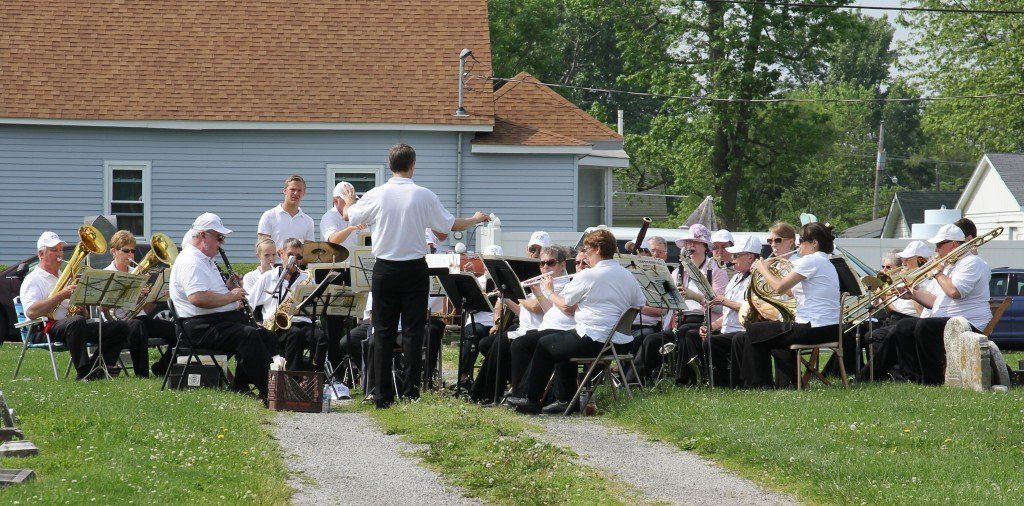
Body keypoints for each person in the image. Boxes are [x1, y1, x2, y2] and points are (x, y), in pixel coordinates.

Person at [342, 143, 490, 408]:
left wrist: (351, 201)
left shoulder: (377, 194)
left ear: (390, 165)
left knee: (383, 331)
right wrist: (476, 219)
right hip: (414, 268)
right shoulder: (423, 195)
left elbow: (348, 216)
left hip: (385, 268)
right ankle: (411, 392)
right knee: (413, 331)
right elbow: (450, 224)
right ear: (412, 165)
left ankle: (382, 395)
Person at [508, 229, 645, 414]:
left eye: (587, 250)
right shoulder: (627, 275)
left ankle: (531, 400)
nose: (586, 255)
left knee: (544, 344)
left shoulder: (589, 275)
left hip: (596, 339)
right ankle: (566, 400)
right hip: (621, 342)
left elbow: (565, 304)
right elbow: (639, 304)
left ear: (597, 249)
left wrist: (548, 291)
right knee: (561, 341)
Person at [170, 213, 278, 398]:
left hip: (212, 320)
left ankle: (240, 386)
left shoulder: (205, 259)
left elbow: (209, 292)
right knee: (248, 335)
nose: (221, 243)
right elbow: (197, 298)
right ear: (203, 235)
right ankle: (271, 393)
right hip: (197, 327)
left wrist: (227, 287)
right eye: (218, 237)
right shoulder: (191, 261)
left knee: (264, 335)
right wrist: (230, 296)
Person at [20, 231, 145, 380]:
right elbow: (31, 312)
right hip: (45, 327)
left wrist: (82, 310)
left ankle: (96, 368)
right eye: (54, 250)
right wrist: (61, 295)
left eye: (61, 249)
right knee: (76, 322)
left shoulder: (64, 275)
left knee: (121, 327)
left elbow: (82, 316)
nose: (60, 253)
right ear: (41, 254)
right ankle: (83, 372)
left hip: (72, 326)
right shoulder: (33, 279)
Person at [732, 222, 840, 389]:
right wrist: (769, 271)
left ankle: (760, 385)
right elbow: (789, 293)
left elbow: (780, 287)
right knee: (761, 332)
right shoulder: (826, 262)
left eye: (802, 240)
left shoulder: (810, 260)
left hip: (812, 327)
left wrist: (762, 268)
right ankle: (779, 383)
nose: (798, 244)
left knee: (753, 331)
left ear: (814, 243)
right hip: (828, 328)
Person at [890, 223, 991, 384]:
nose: (936, 250)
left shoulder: (972, 262)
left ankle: (933, 380)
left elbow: (954, 292)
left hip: (967, 322)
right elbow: (935, 302)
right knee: (904, 326)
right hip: (949, 319)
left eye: (939, 245)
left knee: (925, 326)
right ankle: (912, 377)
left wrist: (937, 272)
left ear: (953, 244)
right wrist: (913, 294)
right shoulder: (951, 266)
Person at [471, 245, 566, 403]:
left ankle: (492, 394)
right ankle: (489, 393)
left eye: (550, 263)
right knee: (489, 344)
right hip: (526, 328)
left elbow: (536, 307)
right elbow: (524, 312)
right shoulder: (541, 283)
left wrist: (519, 293)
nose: (545, 267)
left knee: (500, 343)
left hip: (541, 331)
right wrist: (506, 298)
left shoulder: (561, 284)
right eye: (542, 264)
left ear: (562, 264)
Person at [857, 240, 935, 381]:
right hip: (895, 318)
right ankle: (866, 373)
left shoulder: (928, 281)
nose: (903, 262)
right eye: (903, 259)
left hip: (911, 320)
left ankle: (890, 376)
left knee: (874, 335)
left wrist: (913, 290)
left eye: (907, 259)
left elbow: (920, 312)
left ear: (920, 259)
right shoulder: (905, 278)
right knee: (861, 331)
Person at [103, 230, 177, 377]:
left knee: (178, 330)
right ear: (113, 251)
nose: (131, 255)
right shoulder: (106, 273)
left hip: (139, 318)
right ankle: (142, 375)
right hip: (116, 322)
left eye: (133, 251)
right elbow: (103, 308)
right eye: (126, 251)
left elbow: (147, 309)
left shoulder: (138, 273)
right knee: (138, 326)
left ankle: (162, 367)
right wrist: (132, 295)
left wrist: (154, 296)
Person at [249, 238, 328, 371]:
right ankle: (292, 379)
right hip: (275, 326)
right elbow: (250, 303)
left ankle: (314, 377)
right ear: (281, 254)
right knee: (295, 335)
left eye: (299, 257)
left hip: (302, 322)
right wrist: (257, 323)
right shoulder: (268, 277)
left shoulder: (306, 278)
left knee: (321, 338)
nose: (295, 260)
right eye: (291, 255)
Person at [701, 235, 760, 387]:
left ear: (750, 257)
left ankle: (731, 383)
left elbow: (753, 309)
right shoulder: (735, 278)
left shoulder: (758, 278)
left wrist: (723, 301)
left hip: (744, 331)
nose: (732, 259)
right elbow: (728, 314)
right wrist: (711, 326)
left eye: (736, 255)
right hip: (728, 330)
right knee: (707, 340)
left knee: (715, 342)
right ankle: (720, 382)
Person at [258, 174, 315, 248]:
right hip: (276, 260)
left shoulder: (308, 221)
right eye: (292, 189)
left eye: (299, 190)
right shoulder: (269, 216)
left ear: (304, 193)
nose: (296, 193)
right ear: (285, 191)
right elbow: (263, 248)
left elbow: (309, 250)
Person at [321, 181, 368, 252]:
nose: (352, 203)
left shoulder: (357, 215)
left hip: (356, 261)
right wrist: (351, 228)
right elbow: (332, 241)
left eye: (353, 200)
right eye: (347, 201)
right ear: (335, 201)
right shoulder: (329, 216)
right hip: (335, 262)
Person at [242, 238, 278, 316]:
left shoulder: (281, 275)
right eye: (267, 255)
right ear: (258, 256)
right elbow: (251, 300)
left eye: (274, 254)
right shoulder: (250, 277)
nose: (271, 258)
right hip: (258, 317)